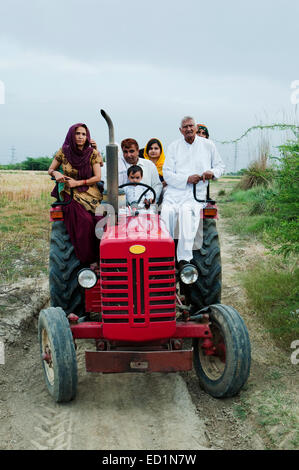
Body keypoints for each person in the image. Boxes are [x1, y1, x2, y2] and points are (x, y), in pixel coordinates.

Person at [161, 116, 225, 268]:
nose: (188, 129)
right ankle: (165, 255)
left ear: (196, 128)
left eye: (191, 126)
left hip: (196, 193)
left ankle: (184, 258)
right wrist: (186, 179)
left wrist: (211, 172)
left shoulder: (208, 145)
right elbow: (167, 174)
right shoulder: (173, 147)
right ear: (180, 130)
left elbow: (220, 167)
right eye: (185, 127)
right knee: (166, 211)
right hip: (175, 191)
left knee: (186, 212)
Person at [48, 123, 103, 265]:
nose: (80, 137)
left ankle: (104, 257)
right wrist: (57, 173)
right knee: (84, 221)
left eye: (83, 134)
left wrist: (78, 183)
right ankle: (88, 260)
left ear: (87, 137)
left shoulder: (93, 153)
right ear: (71, 135)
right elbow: (50, 169)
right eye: (77, 133)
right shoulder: (63, 151)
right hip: (69, 191)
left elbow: (97, 177)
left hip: (90, 191)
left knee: (101, 221)